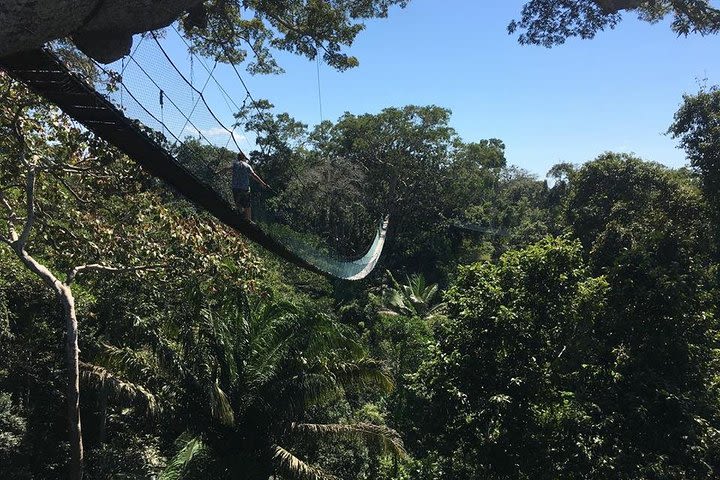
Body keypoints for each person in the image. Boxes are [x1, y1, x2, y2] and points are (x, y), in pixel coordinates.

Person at [226, 151, 270, 221]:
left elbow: (226, 168)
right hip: (245, 189)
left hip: (235, 189)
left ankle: (239, 220)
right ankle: (249, 222)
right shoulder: (247, 166)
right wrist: (263, 184)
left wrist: (216, 172)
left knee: (238, 206)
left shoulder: (235, 164)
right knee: (247, 207)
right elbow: (254, 175)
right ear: (244, 158)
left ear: (238, 158)